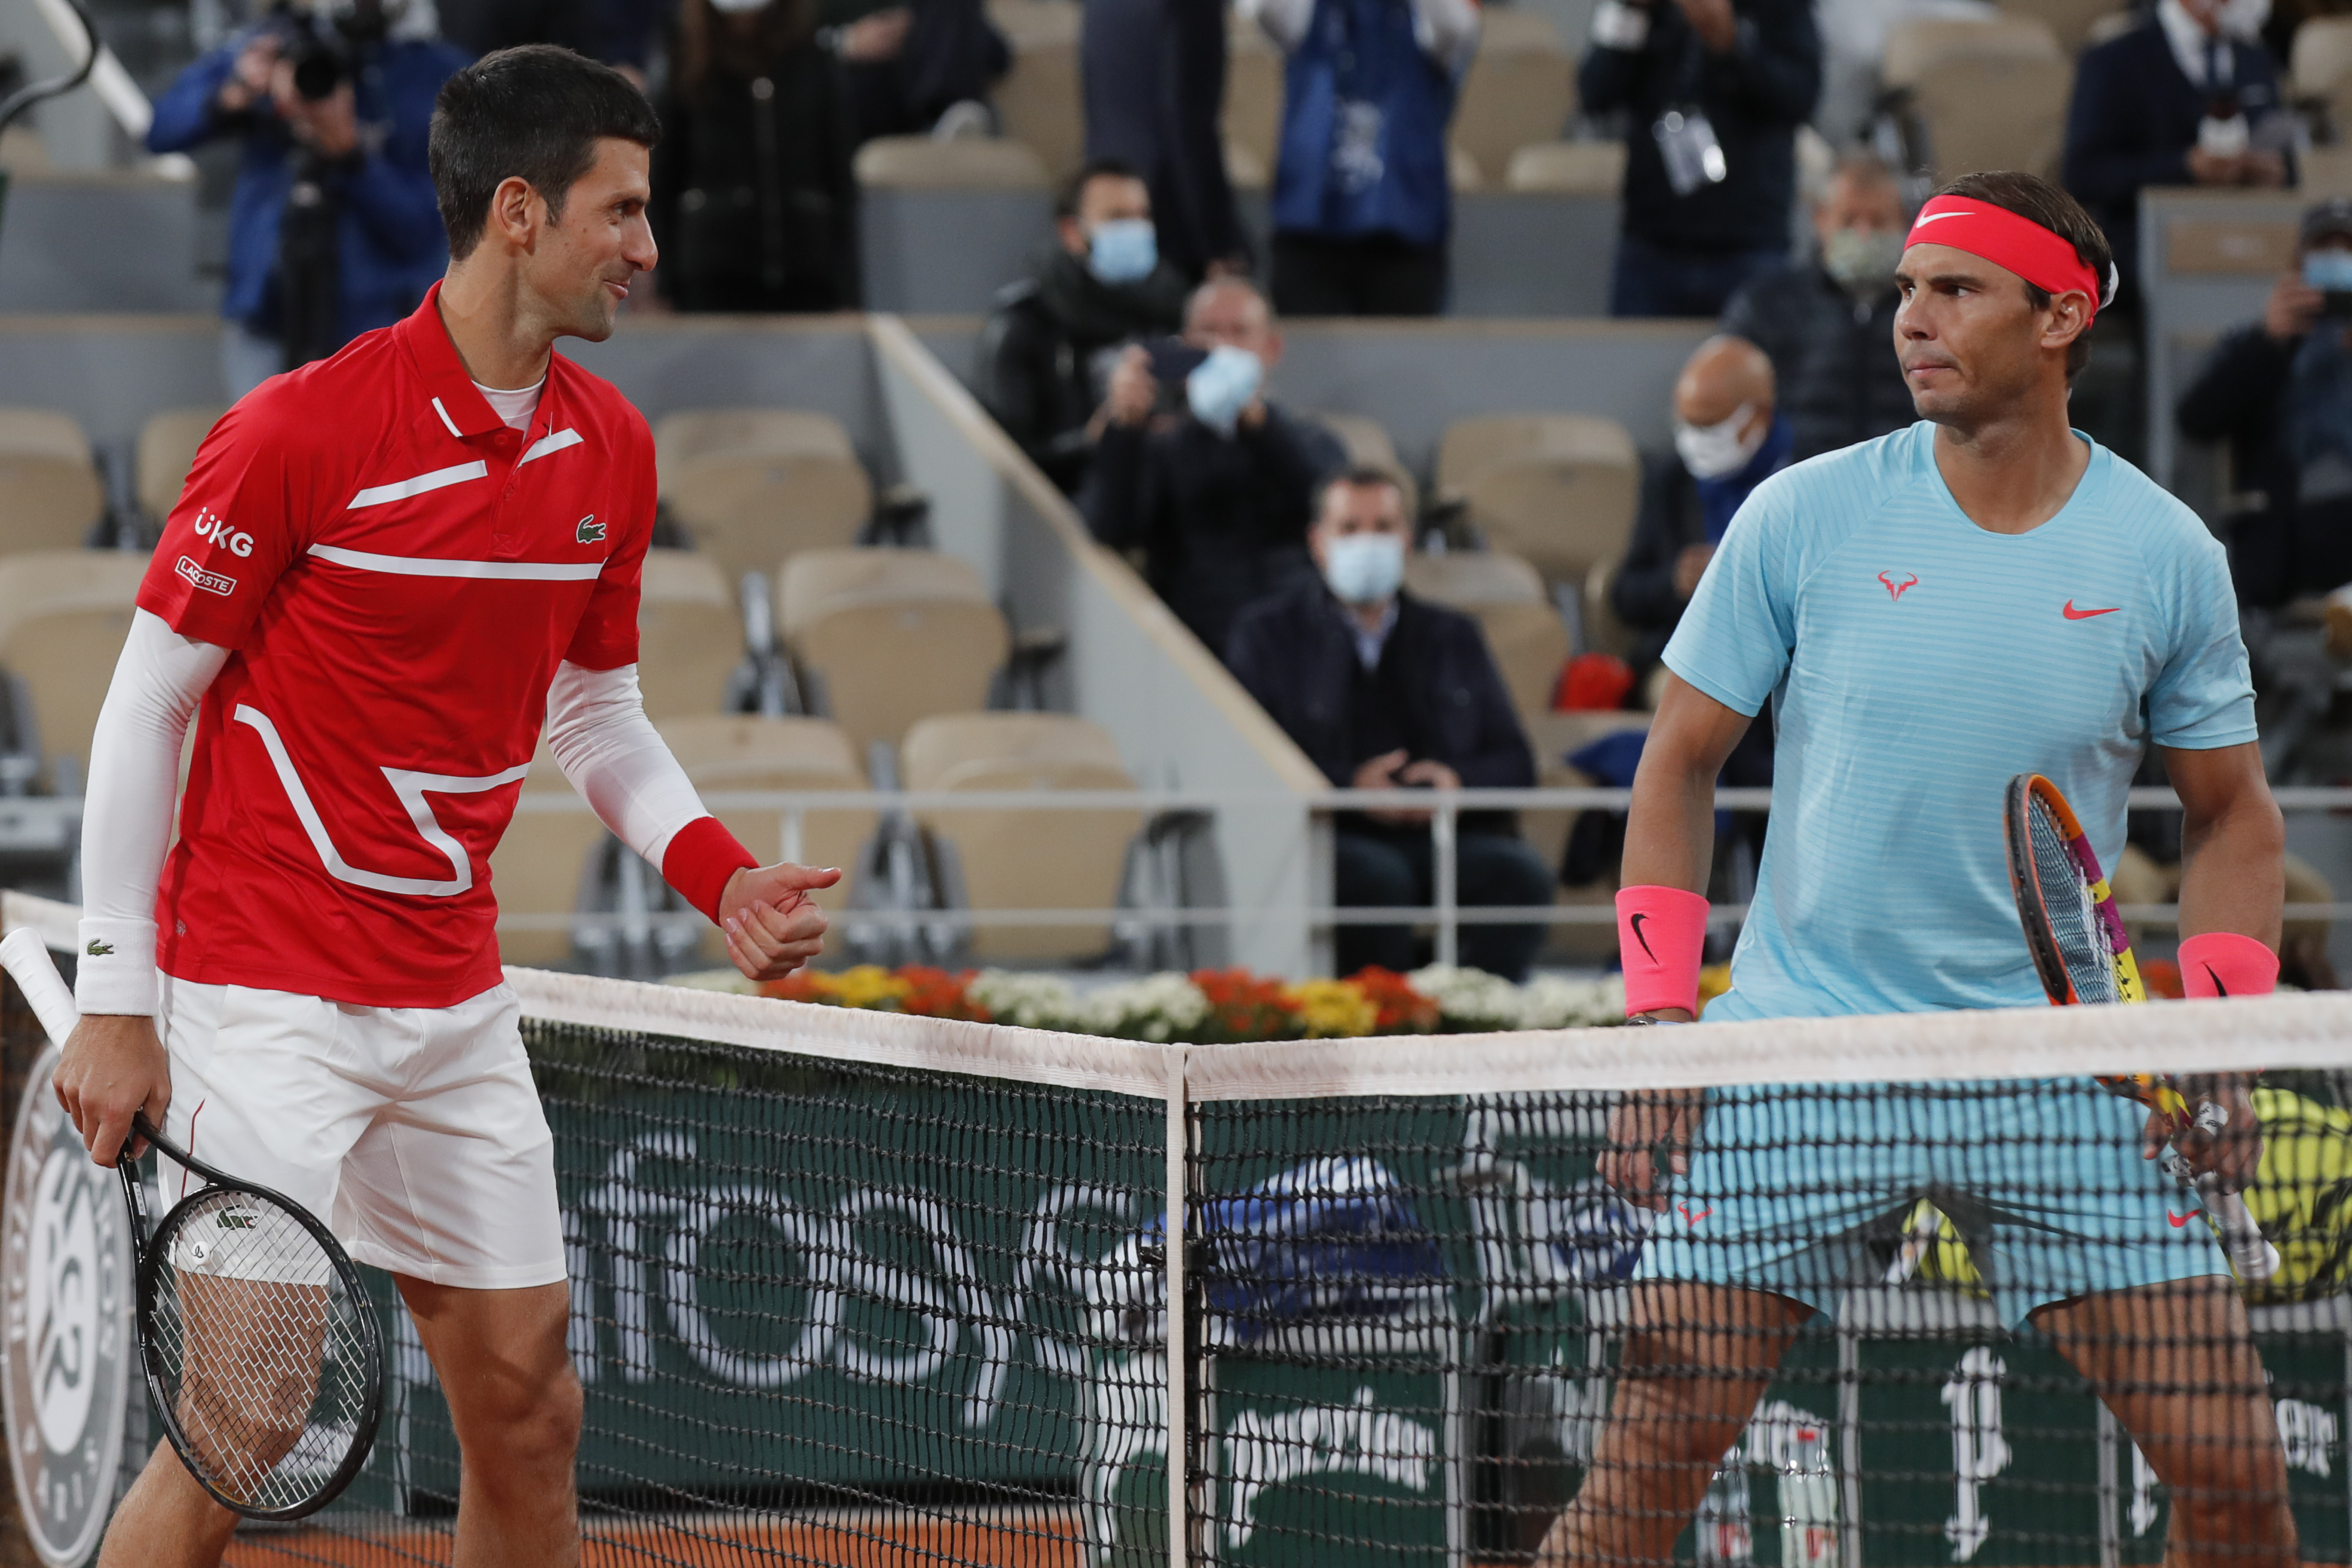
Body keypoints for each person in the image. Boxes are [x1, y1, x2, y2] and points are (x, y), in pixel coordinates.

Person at [58, 47, 839, 1568]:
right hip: (258, 980)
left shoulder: (609, 447)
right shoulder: (299, 430)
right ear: (519, 211)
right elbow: (145, 703)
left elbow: (597, 711)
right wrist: (117, 995)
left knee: (531, 1413)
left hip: (448, 994)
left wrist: (718, 872)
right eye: (622, 212)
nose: (647, 249)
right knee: (247, 1415)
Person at [1542, 171, 2294, 1568]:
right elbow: (1673, 766)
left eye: (1955, 290)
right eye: (1904, 290)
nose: (1912, 320)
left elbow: (2232, 813)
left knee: (2238, 1476)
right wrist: (1659, 1038)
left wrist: (2221, 1034)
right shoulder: (1801, 516)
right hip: (1801, 1052)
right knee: (1637, 1476)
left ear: (2061, 314)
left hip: (2061, 1073)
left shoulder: (2163, 555)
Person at [1228, 469, 1557, 980]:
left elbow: (1515, 761)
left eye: (1383, 527)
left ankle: (1477, 1021)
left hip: (1438, 833)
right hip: (1328, 834)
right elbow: (1252, 761)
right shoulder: (1268, 635)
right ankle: (1380, 1028)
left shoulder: (1453, 635)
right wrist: (1350, 785)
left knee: (1521, 877)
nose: (1369, 542)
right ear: (1318, 542)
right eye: (1350, 528)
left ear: (1406, 540)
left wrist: (1455, 781)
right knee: (1378, 880)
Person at [146, 0, 469, 397]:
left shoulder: (435, 75)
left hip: (379, 326)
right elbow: (161, 129)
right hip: (266, 308)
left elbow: (425, 229)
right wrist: (237, 92)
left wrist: (352, 157)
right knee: (265, 451)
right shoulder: (275, 46)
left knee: (368, 456)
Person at [1082, 276, 1346, 654]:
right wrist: (1124, 428)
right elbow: (1109, 529)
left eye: (1240, 333)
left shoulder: (1312, 440)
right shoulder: (1163, 448)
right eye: (1209, 333)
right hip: (1198, 645)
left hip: (1299, 643)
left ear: (1272, 348)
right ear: (1186, 348)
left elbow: (1326, 505)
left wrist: (1259, 427)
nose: (1223, 347)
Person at [1579, 0, 1819, 318]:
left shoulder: (1781, 8)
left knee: (1753, 364)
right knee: (1632, 362)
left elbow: (1800, 97)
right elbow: (1595, 92)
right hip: (1653, 244)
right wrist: (1632, 12)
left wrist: (1733, 46)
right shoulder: (1638, 9)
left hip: (1749, 243)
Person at [1240, 0, 1479, 317]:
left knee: (1404, 356)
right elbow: (1264, 10)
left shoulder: (1429, 18)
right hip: (1310, 230)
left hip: (1403, 232)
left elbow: (1458, 28)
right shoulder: (1305, 14)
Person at [974, 158, 1191, 493]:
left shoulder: (1175, 312)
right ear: (1072, 233)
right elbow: (1007, 458)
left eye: (1143, 216)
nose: (1136, 230)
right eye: (1117, 218)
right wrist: (1091, 441)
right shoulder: (1023, 325)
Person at [2177, 197, 2352, 608]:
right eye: (2325, 252)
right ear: (2299, 264)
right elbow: (2196, 419)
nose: (2339, 262)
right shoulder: (2257, 342)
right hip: (2287, 538)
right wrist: (2269, 342)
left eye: (2348, 252)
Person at [2063, 0, 2293, 303]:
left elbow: (2281, 142)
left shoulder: (2256, 59)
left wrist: (2275, 170)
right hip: (2146, 233)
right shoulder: (2113, 59)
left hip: (2245, 226)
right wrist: (2184, 167)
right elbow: (2084, 174)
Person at [650, 0, 859, 312]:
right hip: (711, 278)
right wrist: (663, 284)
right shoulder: (684, 59)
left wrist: (848, 291)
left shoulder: (813, 59)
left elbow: (840, 179)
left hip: (807, 274)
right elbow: (663, 180)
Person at [1612, 334, 1792, 675]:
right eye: (1686, 425)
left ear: (1760, 416)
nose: (1694, 441)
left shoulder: (1808, 473)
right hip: (1690, 656)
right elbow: (1625, 594)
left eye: (1709, 426)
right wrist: (1674, 582)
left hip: (1788, 659)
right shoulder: (1670, 479)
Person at [1719, 152, 1914, 462]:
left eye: (1878, 221)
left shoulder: (1931, 309)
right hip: (1796, 489)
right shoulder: (1766, 305)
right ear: (1819, 218)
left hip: (1908, 494)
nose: (1864, 235)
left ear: (1905, 221)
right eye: (1849, 220)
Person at [1082, 0, 1250, 279]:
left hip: (1105, 204)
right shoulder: (1193, 6)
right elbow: (1188, 125)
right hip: (1169, 213)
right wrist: (1219, 244)